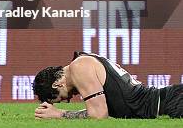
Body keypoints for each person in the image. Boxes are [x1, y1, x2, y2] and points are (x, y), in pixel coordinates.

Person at [33, 51, 183, 119]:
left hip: (171, 102)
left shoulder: (79, 67)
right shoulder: (83, 62)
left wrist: (59, 114)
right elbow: (97, 110)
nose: (67, 100)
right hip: (169, 101)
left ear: (57, 84)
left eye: (60, 98)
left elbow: (99, 115)